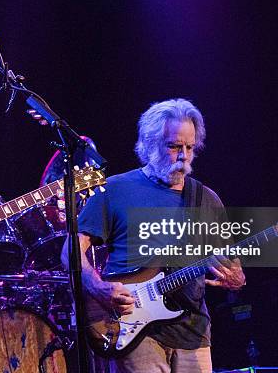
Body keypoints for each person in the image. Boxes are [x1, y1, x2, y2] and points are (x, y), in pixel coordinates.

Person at [62, 99, 246, 372]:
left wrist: (236, 278)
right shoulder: (114, 189)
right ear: (148, 145)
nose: (183, 156)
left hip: (193, 332)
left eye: (190, 147)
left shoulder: (206, 199)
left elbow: (232, 266)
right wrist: (99, 288)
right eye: (173, 146)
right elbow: (71, 252)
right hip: (133, 329)